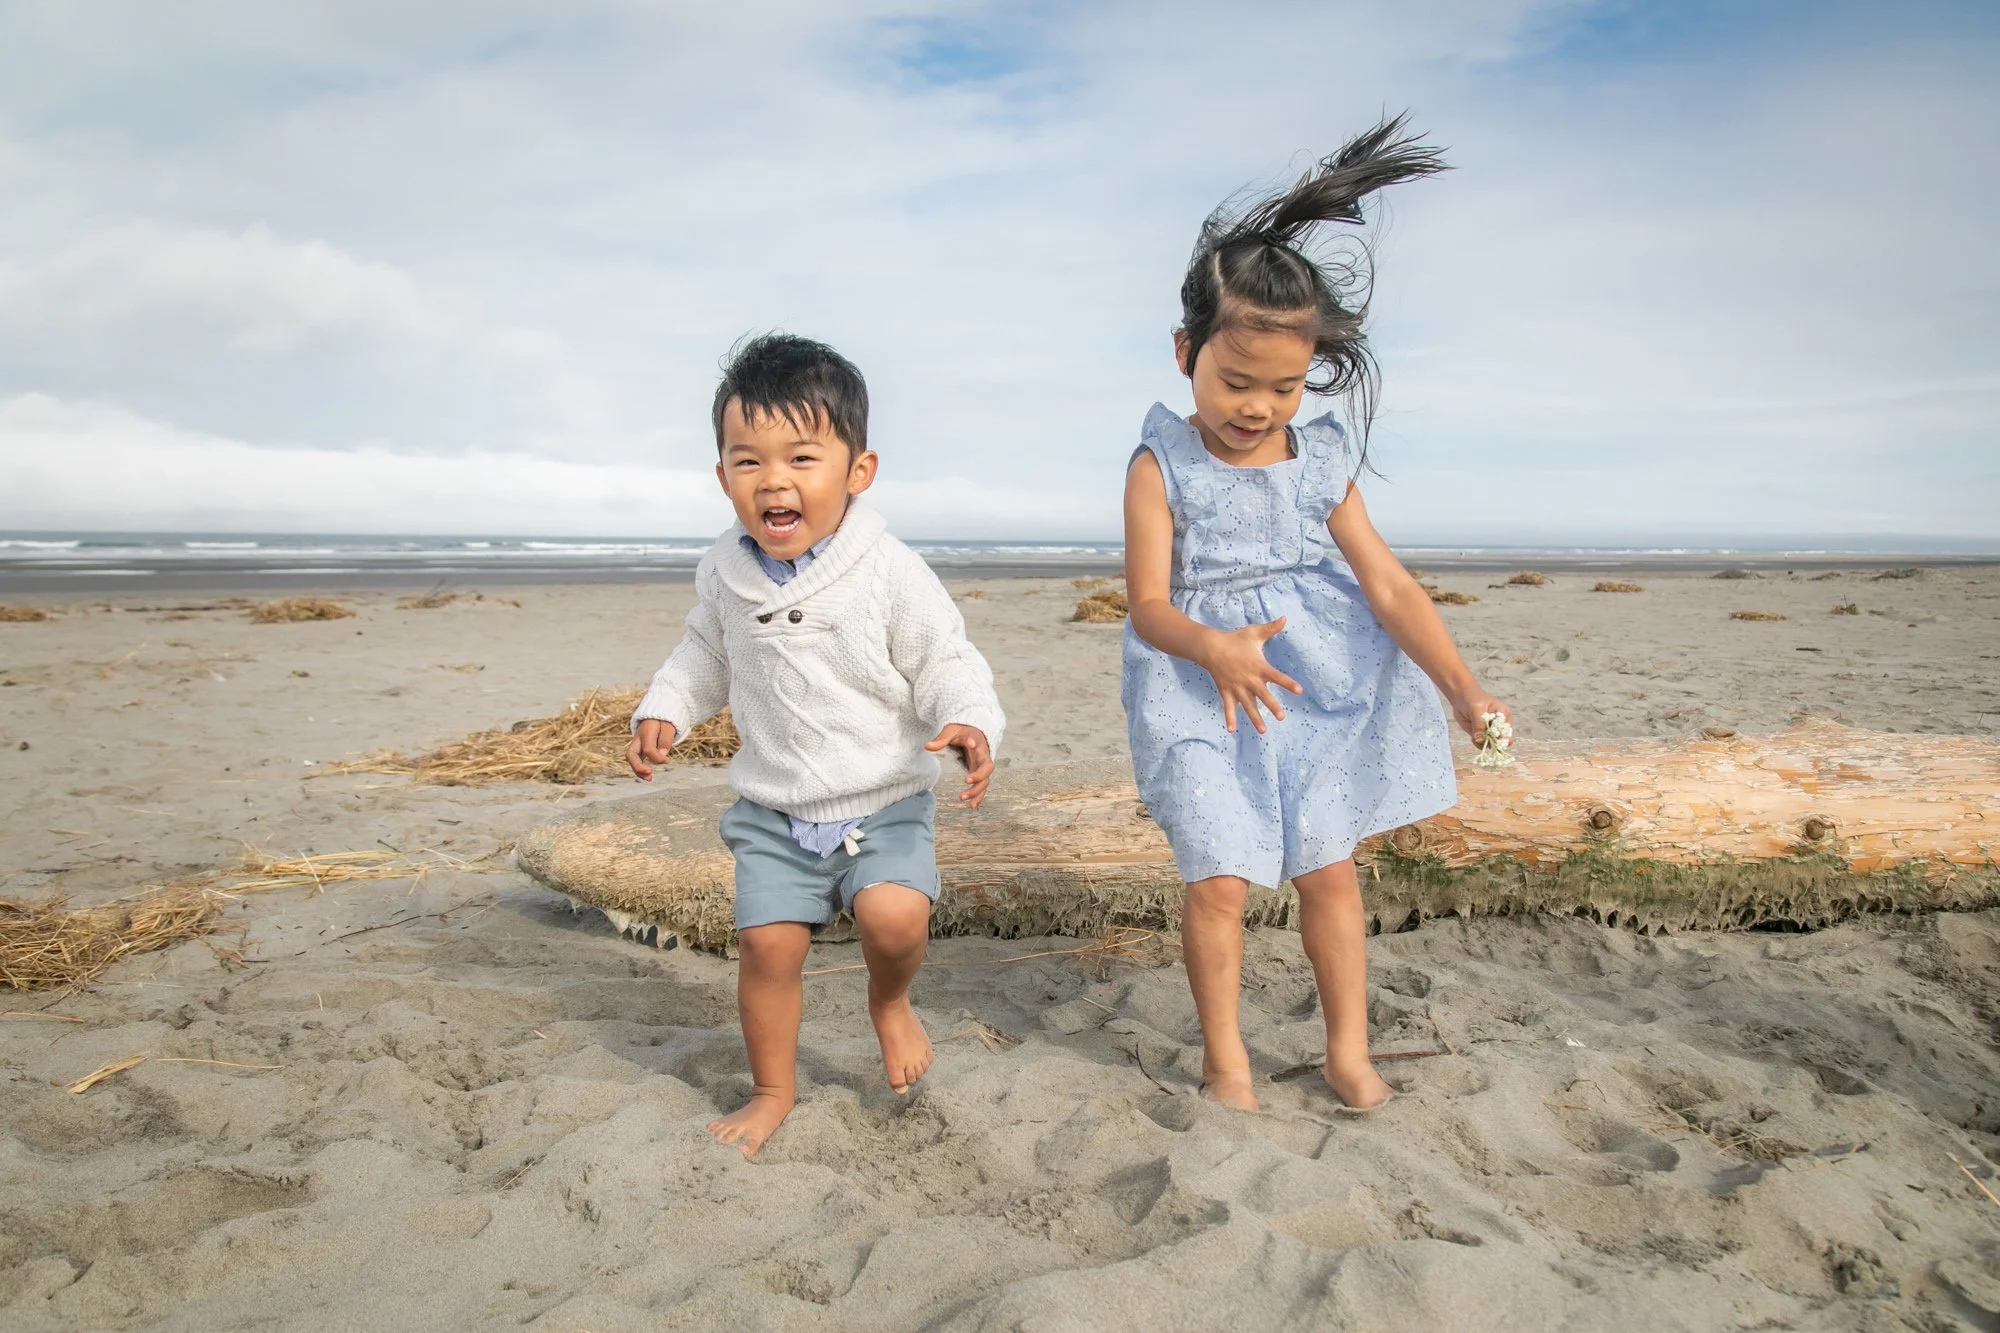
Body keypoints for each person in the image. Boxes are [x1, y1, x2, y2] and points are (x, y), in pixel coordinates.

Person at [1121, 117, 1509, 1114]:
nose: (1256, 406)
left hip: (1318, 682)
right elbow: (1147, 605)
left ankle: (1345, 1051)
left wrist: (1462, 689)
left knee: (1328, 874)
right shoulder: (1160, 463)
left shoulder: (1320, 456)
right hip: (1202, 689)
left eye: (1283, 387)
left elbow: (1385, 585)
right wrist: (1213, 647)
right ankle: (1226, 1063)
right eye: (1234, 380)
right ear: (1183, 353)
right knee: (1217, 878)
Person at [627, 333, 1004, 1157]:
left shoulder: (889, 570)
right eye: (748, 461)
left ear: (856, 471)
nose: (775, 481)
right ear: (722, 475)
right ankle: (772, 1089)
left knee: (895, 915)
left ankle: (890, 1002)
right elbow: (704, 655)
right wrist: (665, 708)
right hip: (774, 807)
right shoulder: (724, 572)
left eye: (802, 456)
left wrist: (970, 721)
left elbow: (944, 657)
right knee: (767, 947)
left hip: (884, 797)